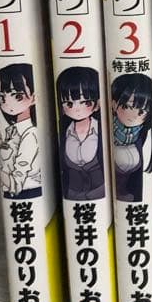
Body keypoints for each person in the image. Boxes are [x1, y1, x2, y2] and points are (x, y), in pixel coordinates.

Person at [0, 64, 41, 199]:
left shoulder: (31, 135)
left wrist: (1, 174)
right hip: (14, 196)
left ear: (33, 97)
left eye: (17, 96)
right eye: (2, 98)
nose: (8, 104)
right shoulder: (11, 132)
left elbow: (17, 181)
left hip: (27, 194)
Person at [57, 66, 104, 201]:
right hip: (72, 195)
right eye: (69, 104)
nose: (77, 110)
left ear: (97, 104)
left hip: (100, 193)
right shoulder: (64, 131)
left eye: (85, 102)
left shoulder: (101, 130)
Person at [110, 73, 152, 203]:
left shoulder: (146, 134)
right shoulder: (107, 129)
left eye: (141, 111)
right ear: (114, 104)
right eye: (127, 107)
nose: (133, 116)